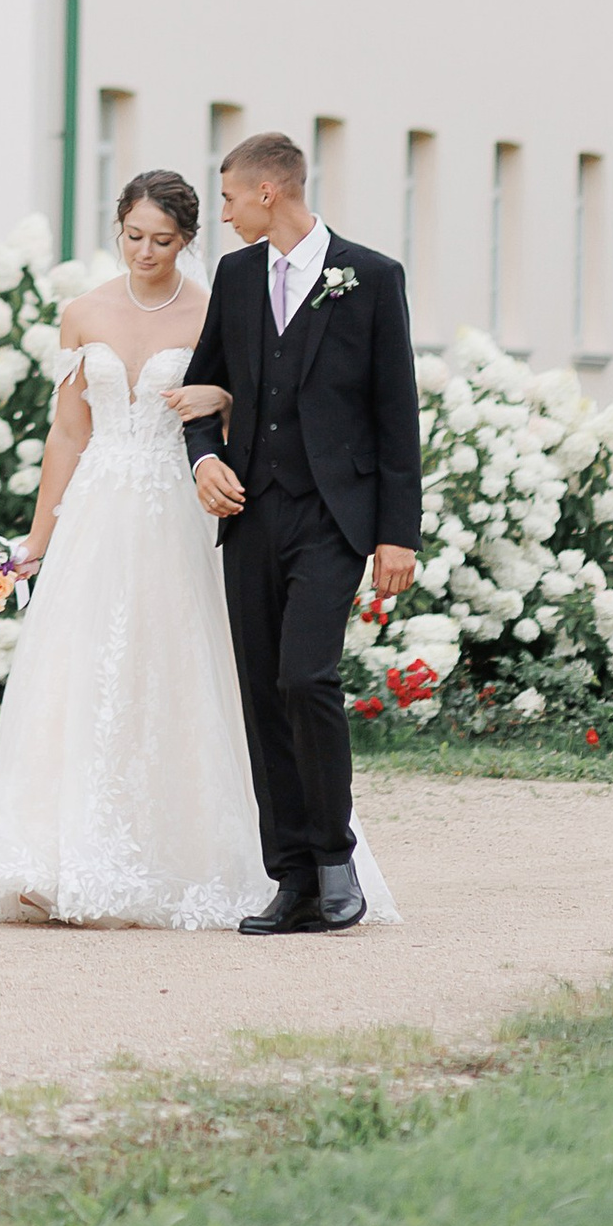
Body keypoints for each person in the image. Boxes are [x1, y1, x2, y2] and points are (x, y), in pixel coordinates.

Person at [0, 165, 292, 929]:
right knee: (77, 673)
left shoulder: (215, 313)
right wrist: (37, 539)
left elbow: (244, 420)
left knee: (171, 670)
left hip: (178, 510)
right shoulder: (81, 313)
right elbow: (68, 432)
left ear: (187, 241)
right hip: (98, 512)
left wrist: (223, 401)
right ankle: (50, 858)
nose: (146, 252)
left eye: (164, 240)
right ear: (120, 229)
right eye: (135, 236)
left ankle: (174, 855)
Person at [179, 130, 421, 936]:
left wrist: (399, 535)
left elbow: (397, 415)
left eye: (228, 198)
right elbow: (203, 388)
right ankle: (290, 882)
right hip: (250, 512)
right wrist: (204, 459)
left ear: (267, 194)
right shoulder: (237, 275)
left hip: (333, 516)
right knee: (260, 695)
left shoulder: (373, 278)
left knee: (306, 679)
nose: (223, 213)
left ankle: (333, 856)